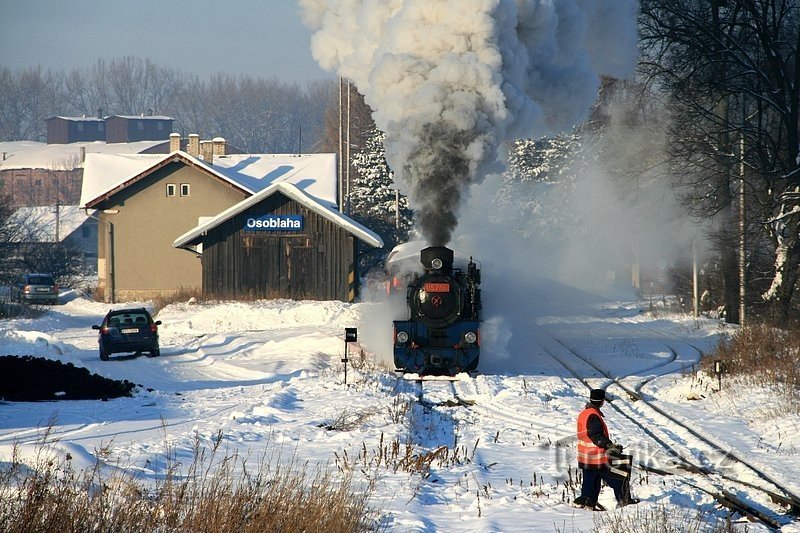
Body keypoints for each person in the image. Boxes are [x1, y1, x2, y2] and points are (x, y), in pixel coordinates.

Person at [573, 388, 639, 509]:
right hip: (597, 458)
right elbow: (596, 435)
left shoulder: (584, 413)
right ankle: (625, 502)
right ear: (602, 401)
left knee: (590, 483)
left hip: (586, 457)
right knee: (620, 476)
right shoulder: (593, 415)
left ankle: (587, 502)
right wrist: (610, 446)